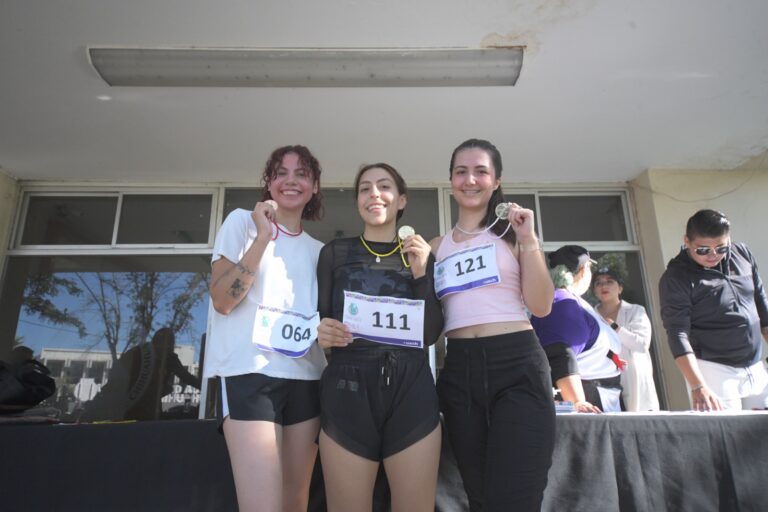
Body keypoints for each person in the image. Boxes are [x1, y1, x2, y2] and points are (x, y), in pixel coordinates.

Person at [431, 139, 555, 512]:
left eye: (481, 171)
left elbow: (541, 305)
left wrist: (528, 239)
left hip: (516, 364)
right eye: (461, 171)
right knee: (481, 498)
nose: (471, 179)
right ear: (450, 180)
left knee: (514, 499)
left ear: (496, 180)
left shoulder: (511, 236)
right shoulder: (436, 247)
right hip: (459, 371)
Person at [316, 163, 443, 512]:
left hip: (411, 388)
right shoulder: (334, 254)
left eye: (384, 186)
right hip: (348, 389)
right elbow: (320, 323)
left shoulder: (421, 255)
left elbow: (430, 333)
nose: (374, 194)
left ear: (401, 199)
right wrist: (321, 332)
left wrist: (420, 273)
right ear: (358, 200)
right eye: (364, 188)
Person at [205, 145, 326, 512]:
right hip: (250, 374)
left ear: (315, 186)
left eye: (301, 173)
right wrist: (262, 237)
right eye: (281, 173)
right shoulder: (241, 223)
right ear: (268, 183)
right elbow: (223, 300)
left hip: (307, 379)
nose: (291, 180)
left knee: (295, 503)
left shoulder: (321, 251)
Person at [659, 209, 768, 411]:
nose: (713, 255)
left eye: (721, 248)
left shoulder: (742, 254)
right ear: (687, 241)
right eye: (703, 250)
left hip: (755, 365)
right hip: (715, 371)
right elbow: (678, 333)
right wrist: (698, 385)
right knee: (730, 438)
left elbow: (762, 307)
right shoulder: (676, 278)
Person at [530, 245, 625, 413]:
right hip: (586, 399)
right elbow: (560, 353)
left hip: (603, 395)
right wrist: (577, 401)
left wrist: (609, 358)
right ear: (583, 271)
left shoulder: (572, 300)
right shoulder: (562, 302)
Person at [593, 265, 660, 411]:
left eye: (609, 281)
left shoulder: (636, 311)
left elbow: (641, 344)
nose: (604, 285)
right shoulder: (590, 315)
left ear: (620, 288)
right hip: (602, 380)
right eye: (598, 282)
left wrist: (616, 328)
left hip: (633, 378)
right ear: (594, 291)